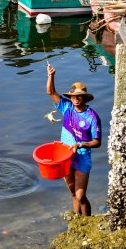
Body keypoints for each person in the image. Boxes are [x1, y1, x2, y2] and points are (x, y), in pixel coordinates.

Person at [46, 64, 101, 216]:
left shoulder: (92, 117)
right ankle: (77, 220)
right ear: (70, 97)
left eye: (79, 96)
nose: (76, 99)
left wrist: (81, 144)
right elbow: (50, 92)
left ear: (84, 97)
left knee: (80, 196)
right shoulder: (66, 107)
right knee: (73, 194)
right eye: (73, 96)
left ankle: (88, 222)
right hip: (65, 156)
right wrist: (51, 75)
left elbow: (97, 141)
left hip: (82, 158)